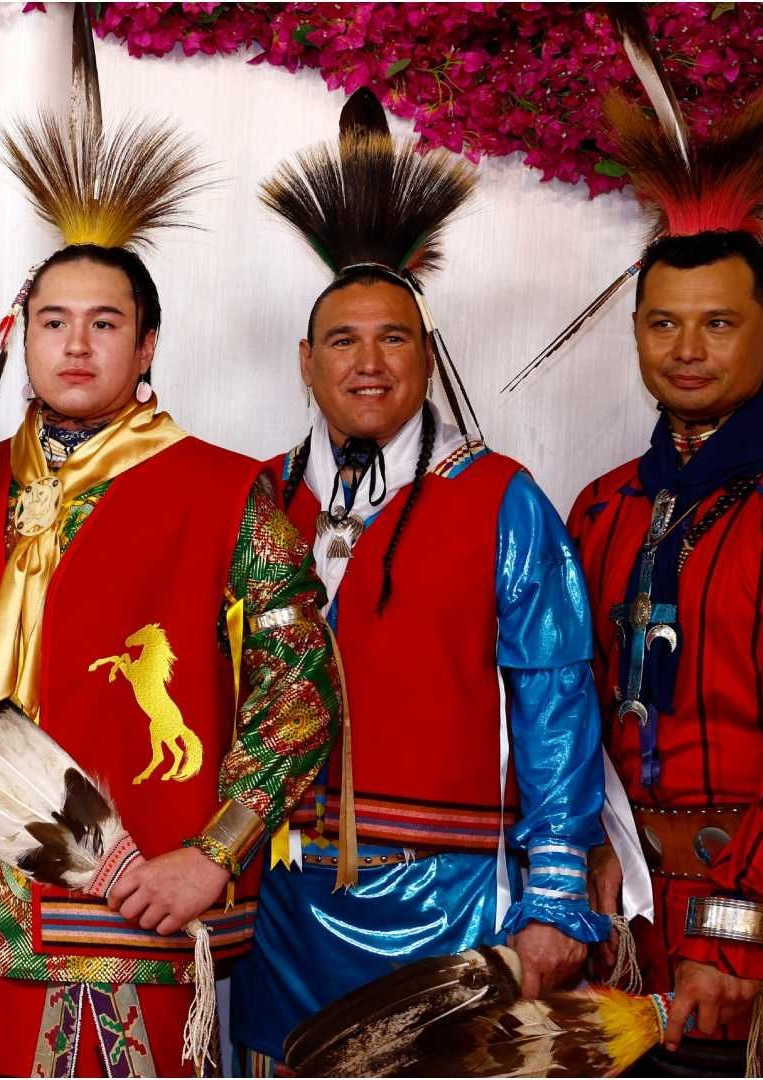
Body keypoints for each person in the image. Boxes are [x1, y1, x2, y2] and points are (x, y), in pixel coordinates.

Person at [0, 12, 340, 1076]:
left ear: (146, 346)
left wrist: (215, 855)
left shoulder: (228, 492)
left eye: (105, 322)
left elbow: (301, 696)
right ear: (24, 339)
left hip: (133, 902)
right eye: (54, 320)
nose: (77, 343)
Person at [231, 88, 615, 1074]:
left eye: (393, 338)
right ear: (306, 364)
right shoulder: (257, 500)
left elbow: (555, 697)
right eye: (344, 342)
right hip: (285, 900)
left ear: (426, 358)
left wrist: (555, 894)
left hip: (451, 902)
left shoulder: (500, 500)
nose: (368, 363)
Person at [550, 57, 763, 1075]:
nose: (688, 348)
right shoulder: (605, 503)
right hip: (625, 937)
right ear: (635, 335)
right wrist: (572, 871)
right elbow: (560, 708)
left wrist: (739, 928)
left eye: (719, 323)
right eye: (664, 323)